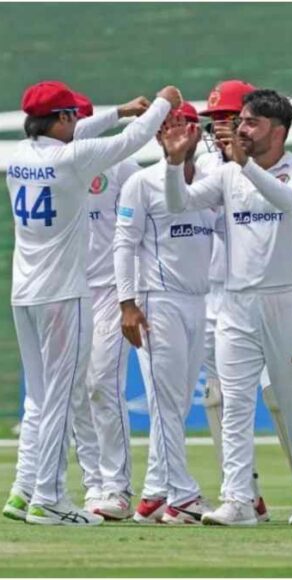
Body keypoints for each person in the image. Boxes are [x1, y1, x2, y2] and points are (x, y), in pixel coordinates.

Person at [2, 80, 180, 526]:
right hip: (65, 294)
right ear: (62, 120)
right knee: (63, 398)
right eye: (73, 118)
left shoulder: (15, 156)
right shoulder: (74, 160)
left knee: (41, 399)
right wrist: (163, 103)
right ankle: (50, 498)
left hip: (23, 294)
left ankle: (27, 492)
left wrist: (118, 107)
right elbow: (130, 141)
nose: (78, 125)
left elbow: (87, 133)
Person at [161, 89, 292, 526]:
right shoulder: (226, 175)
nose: (240, 129)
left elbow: (290, 201)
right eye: (240, 121)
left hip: (286, 300)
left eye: (251, 122)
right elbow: (178, 202)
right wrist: (172, 165)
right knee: (235, 402)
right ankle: (238, 499)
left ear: (277, 131)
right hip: (237, 304)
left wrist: (246, 166)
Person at [113, 102, 214, 524]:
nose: (178, 134)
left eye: (185, 126)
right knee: (167, 404)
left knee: (174, 402)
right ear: (157, 136)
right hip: (158, 302)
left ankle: (155, 492)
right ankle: (184, 496)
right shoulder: (140, 183)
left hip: (198, 300)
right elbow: (123, 243)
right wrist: (128, 303)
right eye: (169, 127)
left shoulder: (212, 181)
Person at [69, 91, 145, 521]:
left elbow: (137, 231)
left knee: (102, 382)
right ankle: (93, 484)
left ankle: (116, 487)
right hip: (67, 292)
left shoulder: (122, 168)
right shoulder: (50, 168)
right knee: (77, 390)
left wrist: (130, 298)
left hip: (111, 294)